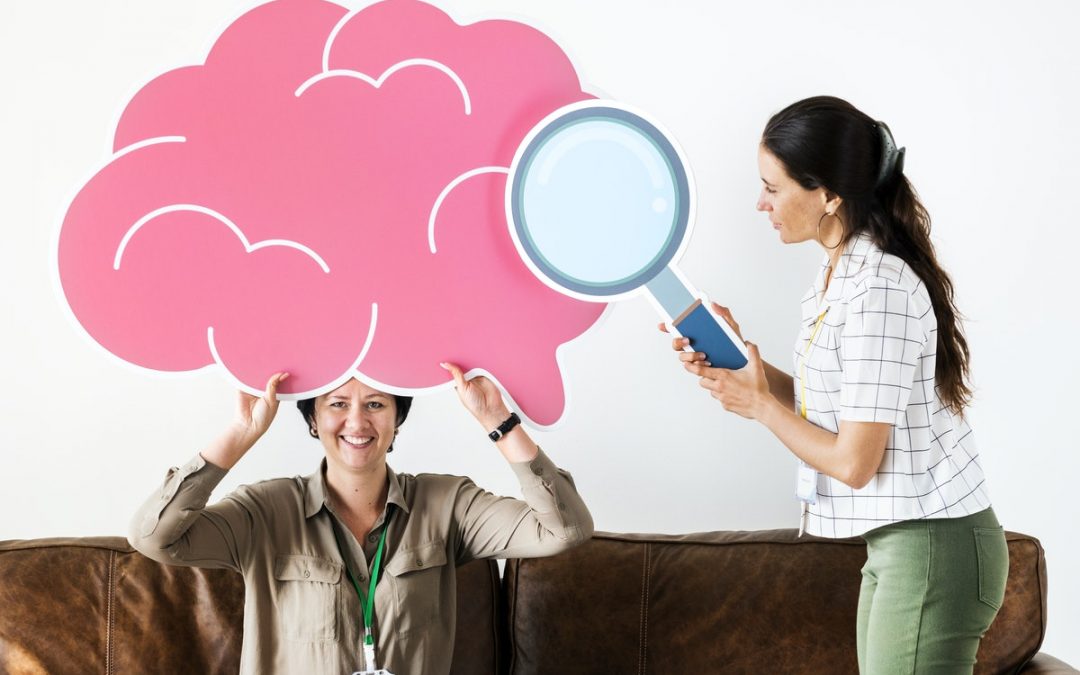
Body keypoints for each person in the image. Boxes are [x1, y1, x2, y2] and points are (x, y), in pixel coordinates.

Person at [666, 96, 1008, 674]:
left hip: (931, 544)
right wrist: (744, 366)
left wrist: (758, 406)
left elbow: (854, 462)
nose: (760, 203)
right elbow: (842, 406)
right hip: (902, 543)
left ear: (827, 194)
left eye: (772, 189)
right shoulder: (839, 276)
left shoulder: (879, 287)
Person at [129, 364, 593, 675]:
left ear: (396, 419)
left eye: (375, 404)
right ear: (313, 419)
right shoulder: (264, 512)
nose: (357, 422)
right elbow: (154, 537)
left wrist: (499, 421)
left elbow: (565, 530)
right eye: (336, 404)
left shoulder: (447, 503)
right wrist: (240, 434)